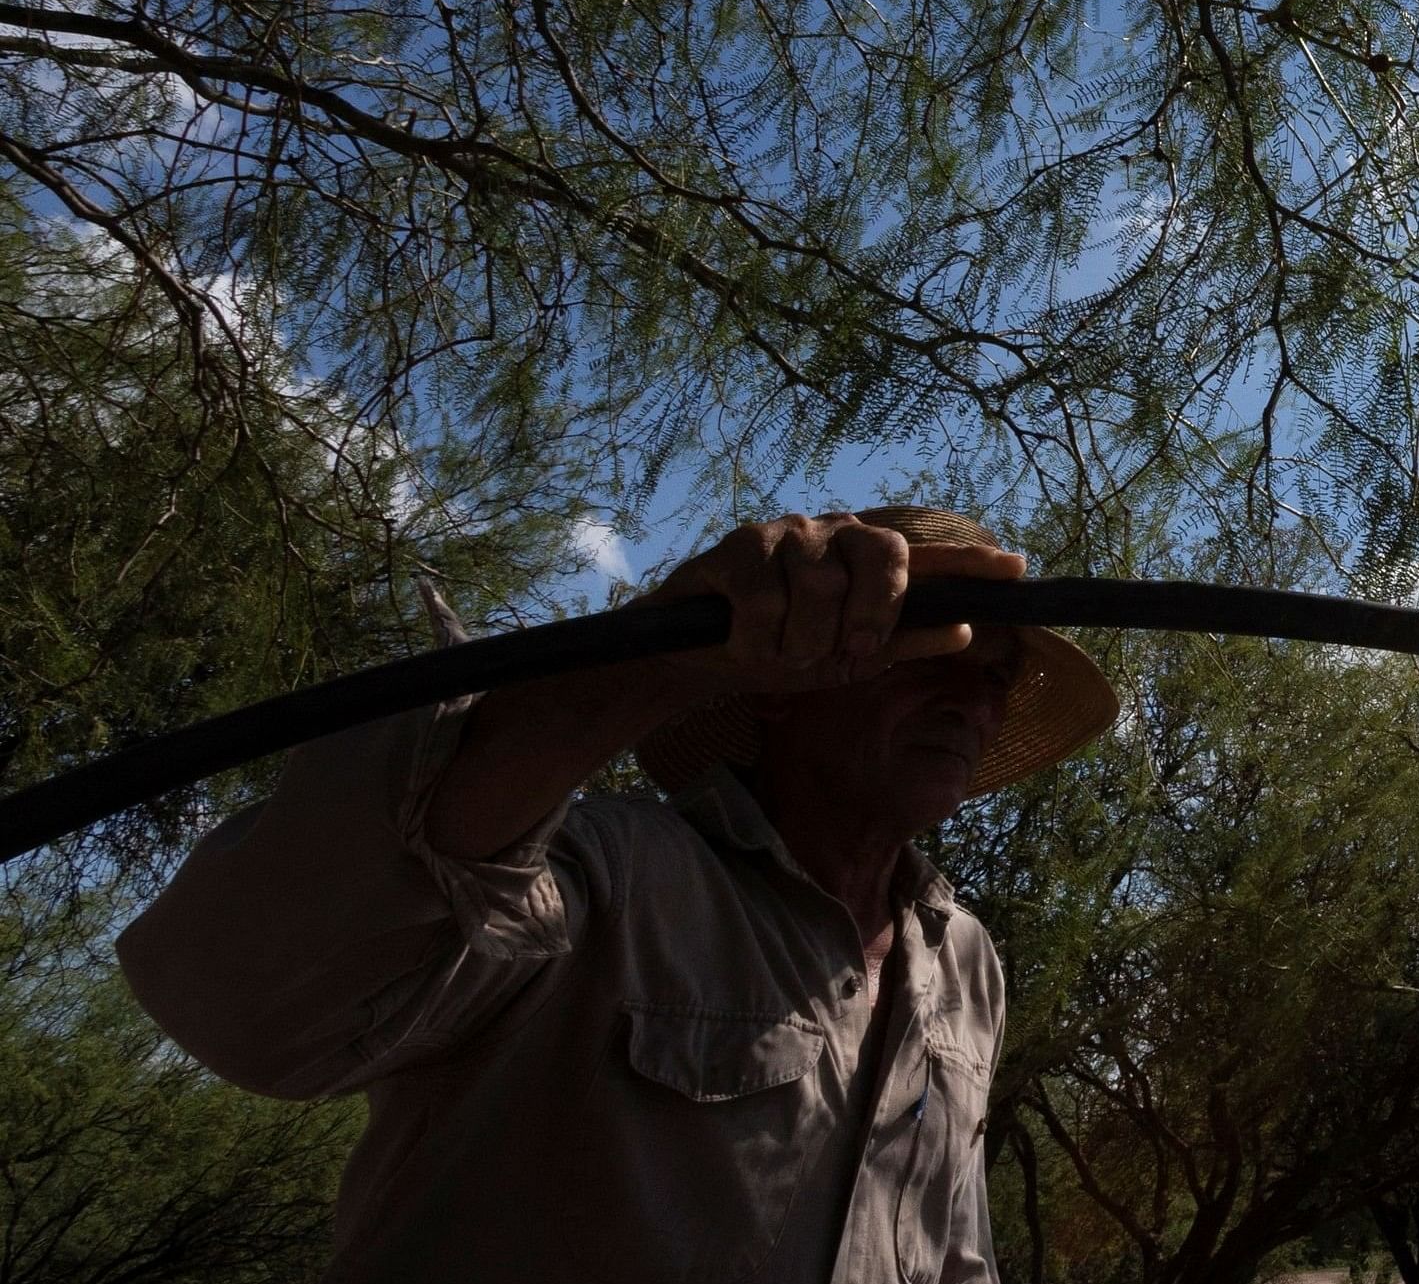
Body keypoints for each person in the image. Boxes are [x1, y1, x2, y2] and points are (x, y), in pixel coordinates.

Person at [117, 507, 1118, 1282]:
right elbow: (252, 1003)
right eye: (932, 655)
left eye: (994, 676)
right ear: (784, 678)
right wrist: (653, 657)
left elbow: (950, 1245)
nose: (973, 699)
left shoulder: (963, 961)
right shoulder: (598, 869)